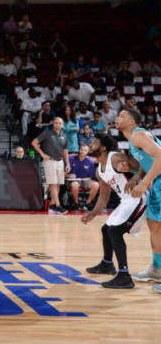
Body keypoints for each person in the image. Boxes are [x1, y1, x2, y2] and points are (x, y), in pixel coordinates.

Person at [82, 133, 146, 288]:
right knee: (106, 229)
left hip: (139, 198)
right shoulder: (99, 170)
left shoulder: (115, 158)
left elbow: (144, 165)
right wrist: (93, 213)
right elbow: (104, 196)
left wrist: (135, 177)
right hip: (126, 201)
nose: (91, 145)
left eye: (94, 143)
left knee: (115, 232)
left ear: (103, 148)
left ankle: (124, 276)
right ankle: (107, 264)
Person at [115, 108, 161, 289]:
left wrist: (144, 183)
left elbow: (160, 156)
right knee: (155, 224)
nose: (118, 118)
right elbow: (148, 161)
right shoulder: (133, 138)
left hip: (157, 180)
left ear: (132, 122)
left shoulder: (137, 135)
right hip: (157, 182)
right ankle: (157, 269)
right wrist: (136, 177)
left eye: (122, 115)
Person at [32, 117, 71, 214]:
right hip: (50, 161)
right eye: (56, 123)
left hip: (60, 161)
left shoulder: (64, 135)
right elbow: (34, 142)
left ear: (62, 125)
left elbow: (65, 151)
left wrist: (67, 163)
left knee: (57, 184)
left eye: (59, 123)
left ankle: (52, 205)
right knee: (53, 184)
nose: (57, 125)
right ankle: (58, 206)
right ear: (53, 124)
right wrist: (42, 154)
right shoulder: (47, 133)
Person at [67, 144, 99, 211]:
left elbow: (90, 177)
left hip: (85, 180)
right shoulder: (70, 159)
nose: (82, 151)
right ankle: (76, 203)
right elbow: (63, 173)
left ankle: (88, 203)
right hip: (73, 181)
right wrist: (68, 175)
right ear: (79, 150)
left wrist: (81, 179)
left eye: (85, 150)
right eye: (81, 149)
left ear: (88, 151)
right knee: (75, 184)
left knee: (96, 185)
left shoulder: (90, 162)